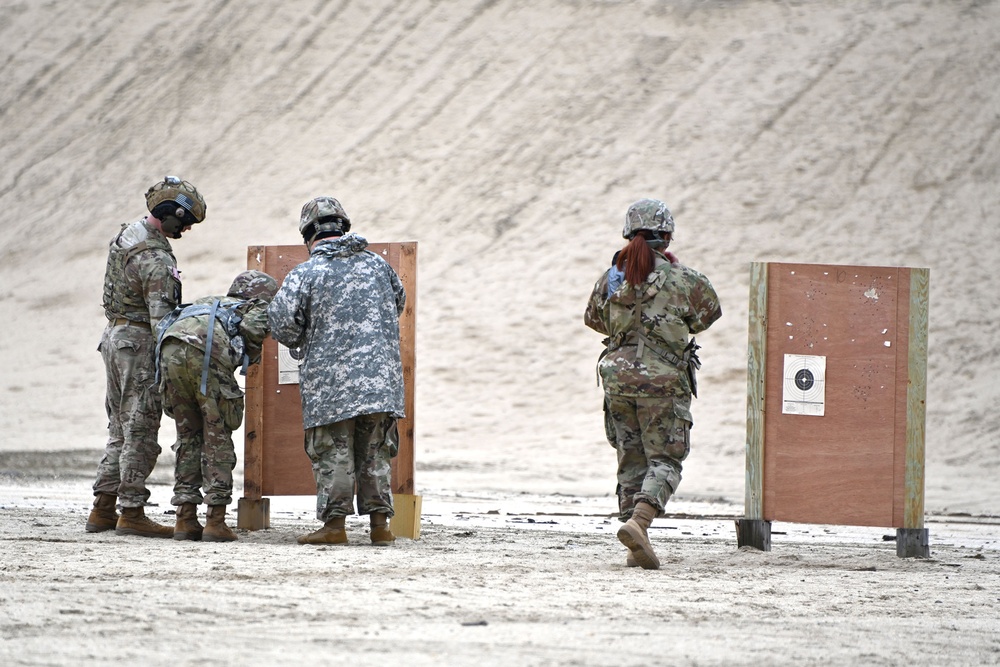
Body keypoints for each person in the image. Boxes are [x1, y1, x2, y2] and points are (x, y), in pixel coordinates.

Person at [584, 198, 721, 569]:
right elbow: (708, 315)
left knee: (630, 462)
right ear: (668, 237)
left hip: (617, 380)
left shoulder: (611, 277)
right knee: (665, 460)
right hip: (663, 382)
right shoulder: (684, 279)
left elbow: (594, 319)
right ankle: (639, 524)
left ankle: (634, 547)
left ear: (629, 233)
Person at [268, 196, 406, 546]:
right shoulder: (378, 265)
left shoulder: (306, 273)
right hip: (380, 384)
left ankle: (334, 527)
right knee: (376, 453)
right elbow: (399, 302)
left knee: (334, 453)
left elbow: (282, 325)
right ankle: (380, 528)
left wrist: (309, 335)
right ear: (343, 226)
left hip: (330, 387)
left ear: (309, 234)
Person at [87, 176, 206, 538]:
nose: (184, 230)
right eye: (184, 222)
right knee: (140, 428)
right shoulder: (154, 256)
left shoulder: (128, 235)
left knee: (119, 429)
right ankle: (132, 511)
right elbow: (162, 319)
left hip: (115, 338)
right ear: (169, 213)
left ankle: (103, 508)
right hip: (138, 344)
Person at [154, 270, 279, 542]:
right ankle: (215, 521)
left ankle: (185, 519)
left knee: (188, 438)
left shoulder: (210, 302)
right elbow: (253, 328)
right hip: (205, 358)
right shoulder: (256, 306)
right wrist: (251, 352)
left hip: (169, 353)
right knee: (217, 438)